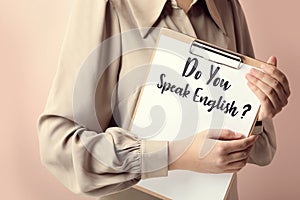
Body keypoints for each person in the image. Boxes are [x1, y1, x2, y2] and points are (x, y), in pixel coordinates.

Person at [37, 0, 290, 199]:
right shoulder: (109, 4)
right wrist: (174, 155)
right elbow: (59, 145)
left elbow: (262, 151)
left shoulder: (227, 6)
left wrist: (257, 112)